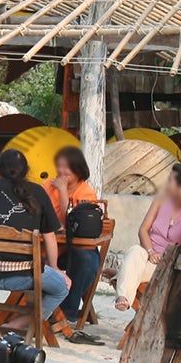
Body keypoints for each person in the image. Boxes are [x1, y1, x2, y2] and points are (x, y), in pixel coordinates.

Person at [0, 150, 70, 332]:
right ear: (26, 170)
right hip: (26, 276)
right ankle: (14, 327)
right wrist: (56, 269)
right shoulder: (38, 192)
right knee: (62, 288)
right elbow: (50, 237)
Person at [114, 164, 181, 310]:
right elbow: (143, 230)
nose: (168, 184)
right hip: (148, 254)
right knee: (135, 250)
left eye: (173, 181)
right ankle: (123, 297)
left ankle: (122, 284)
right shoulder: (161, 200)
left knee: (130, 269)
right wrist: (150, 252)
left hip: (166, 264)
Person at [47, 146, 105, 344]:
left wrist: (63, 192)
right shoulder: (47, 187)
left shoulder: (86, 192)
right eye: (59, 167)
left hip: (78, 247)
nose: (61, 173)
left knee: (87, 261)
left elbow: (69, 223)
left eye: (67, 169)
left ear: (78, 171)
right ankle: (49, 310)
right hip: (51, 247)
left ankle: (66, 311)